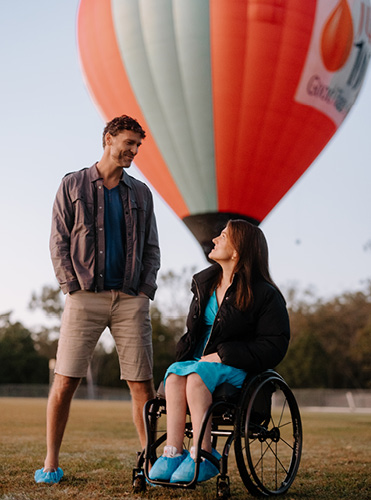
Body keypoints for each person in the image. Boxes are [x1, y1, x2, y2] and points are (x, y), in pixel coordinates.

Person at [35, 115, 161, 484]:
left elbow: (152, 247)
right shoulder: (72, 184)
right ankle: (51, 463)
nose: (134, 151)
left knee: (142, 385)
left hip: (130, 300)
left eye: (138, 146)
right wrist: (70, 286)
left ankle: (151, 463)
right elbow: (58, 240)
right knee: (65, 381)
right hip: (83, 297)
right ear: (108, 138)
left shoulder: (141, 193)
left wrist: (143, 292)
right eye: (129, 143)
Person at [148, 219, 290, 484]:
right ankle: (172, 453)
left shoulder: (265, 294)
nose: (214, 239)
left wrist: (225, 354)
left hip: (240, 369)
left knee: (196, 375)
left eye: (223, 236)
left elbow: (274, 345)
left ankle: (203, 454)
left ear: (237, 251)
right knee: (174, 375)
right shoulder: (206, 285)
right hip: (202, 364)